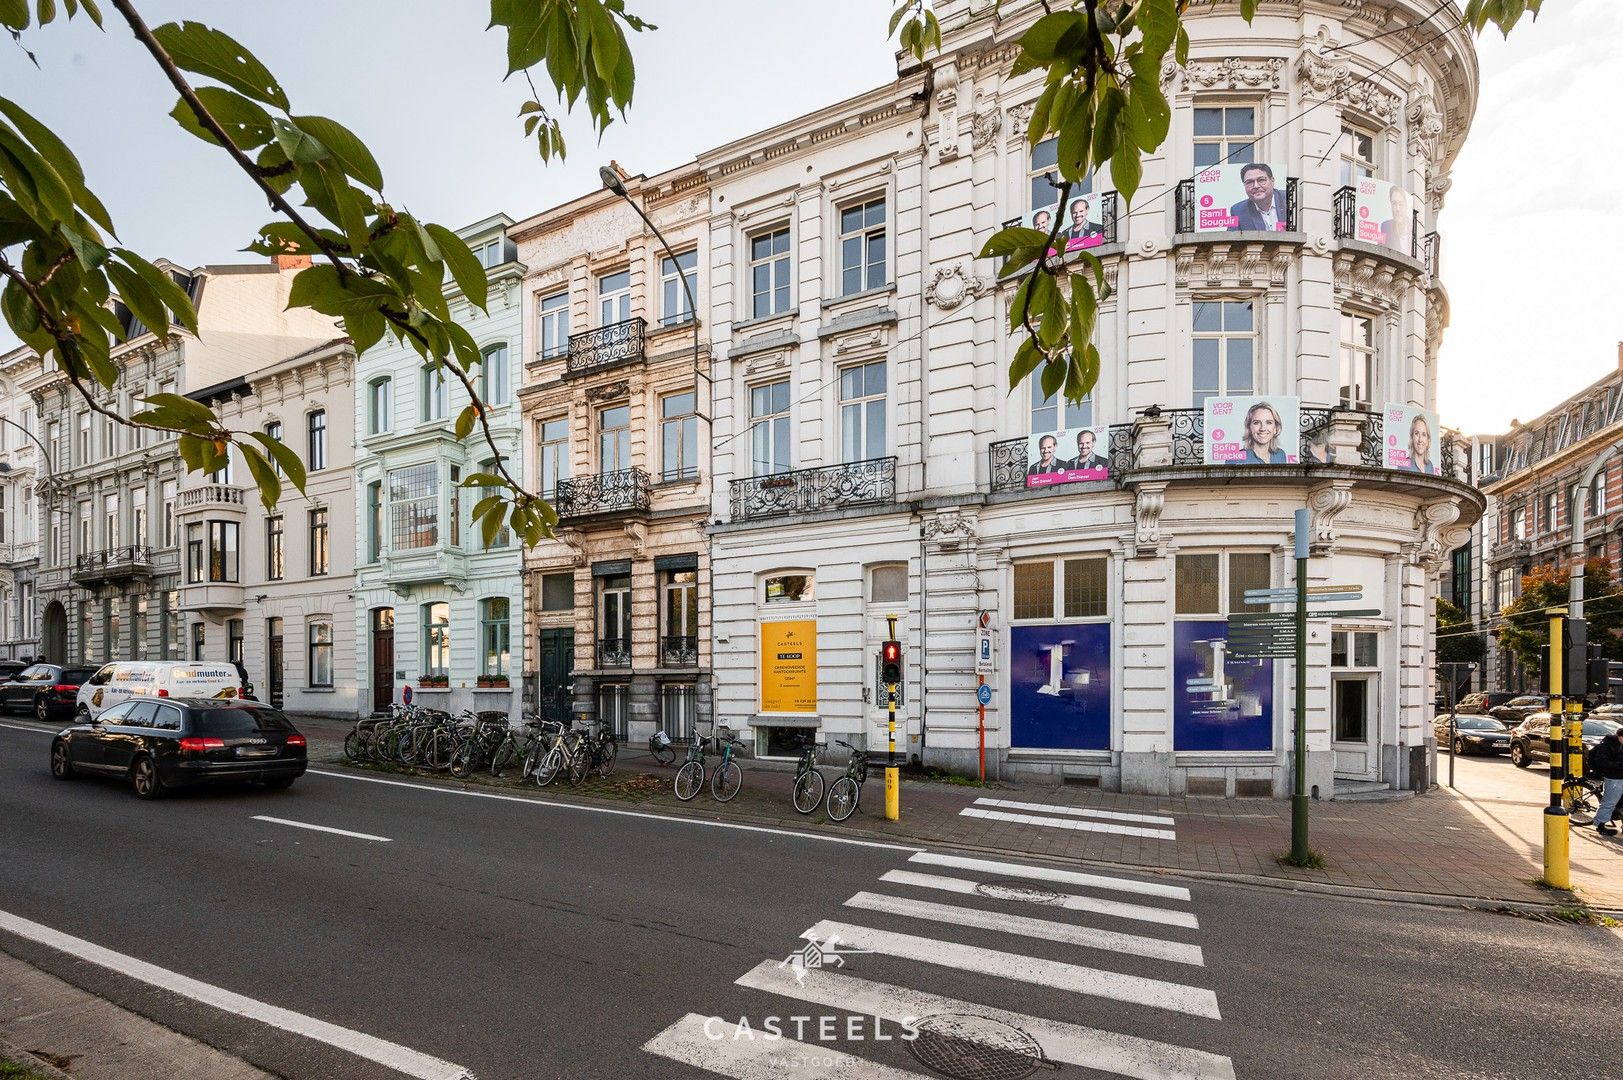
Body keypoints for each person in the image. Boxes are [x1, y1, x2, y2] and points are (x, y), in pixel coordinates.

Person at [1228, 163, 1287, 232]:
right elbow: (1231, 239)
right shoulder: (1238, 211)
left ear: (1272, 181)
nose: (1256, 186)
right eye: (1249, 182)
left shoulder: (1288, 198)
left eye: (1261, 180)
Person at [1590, 727, 1623, 835]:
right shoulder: (1607, 745)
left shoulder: (1620, 744)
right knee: (1609, 802)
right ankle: (1600, 825)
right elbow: (1602, 761)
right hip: (1613, 777)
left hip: (1620, 776)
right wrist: (1618, 766)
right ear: (1619, 736)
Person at [1380, 185, 1412, 252]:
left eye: (1400, 204)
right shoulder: (1385, 226)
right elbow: (1380, 249)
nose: (1397, 209)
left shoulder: (1411, 226)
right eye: (1394, 204)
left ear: (1406, 206)